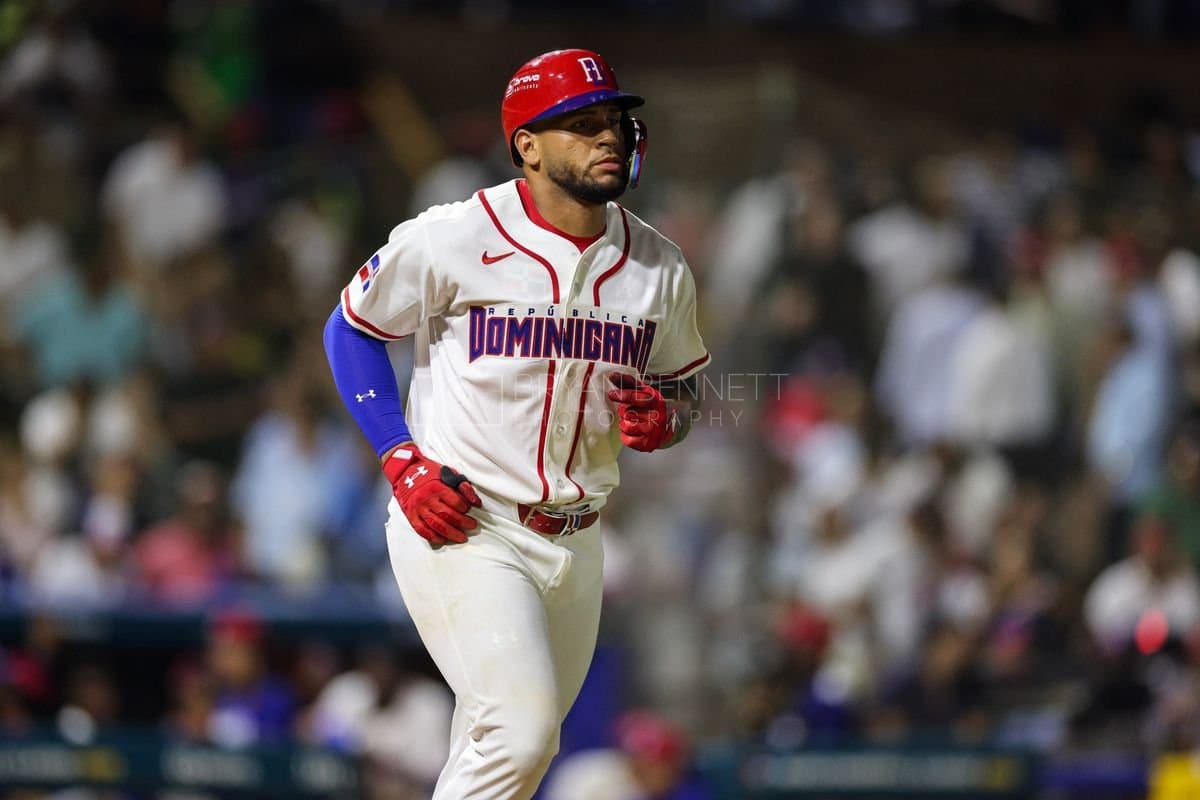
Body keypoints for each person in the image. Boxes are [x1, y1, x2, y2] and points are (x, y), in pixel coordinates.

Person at [323, 49, 708, 799]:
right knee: (520, 733)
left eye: (617, 123)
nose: (610, 139)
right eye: (584, 124)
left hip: (579, 539)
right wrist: (399, 457)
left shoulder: (659, 267)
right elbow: (352, 329)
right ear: (526, 146)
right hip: (466, 518)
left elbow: (683, 394)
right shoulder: (454, 234)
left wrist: (670, 421)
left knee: (504, 751)